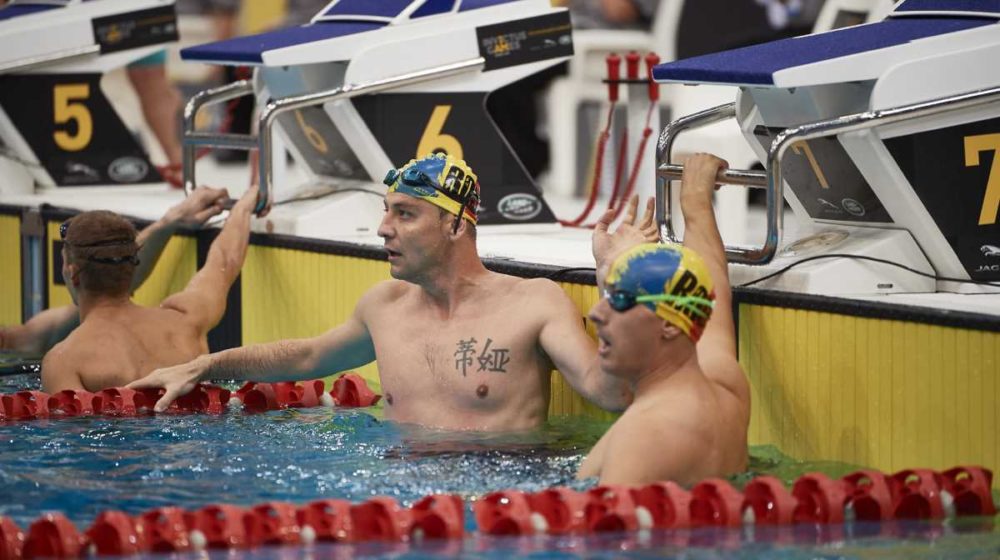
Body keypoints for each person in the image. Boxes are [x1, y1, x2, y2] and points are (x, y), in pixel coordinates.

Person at [129, 153, 658, 431]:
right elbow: (308, 355)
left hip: (502, 511)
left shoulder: (533, 303)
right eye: (386, 212)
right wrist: (205, 366)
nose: (384, 229)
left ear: (456, 226)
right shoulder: (382, 307)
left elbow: (613, 395)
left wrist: (621, 271)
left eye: (404, 214)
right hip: (398, 509)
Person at [577, 153, 751, 486]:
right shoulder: (728, 388)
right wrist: (695, 199)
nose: (597, 313)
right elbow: (711, 284)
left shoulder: (643, 437)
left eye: (621, 299)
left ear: (669, 324)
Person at [40, 186, 259, 393]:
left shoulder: (64, 361)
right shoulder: (186, 321)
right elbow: (224, 261)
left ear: (73, 272)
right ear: (133, 266)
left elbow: (74, 429)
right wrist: (245, 205)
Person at [0, 188, 231, 356]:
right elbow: (110, 274)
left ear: (72, 273)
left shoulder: (36, 347)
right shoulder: (181, 324)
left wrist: (169, 222)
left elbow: (107, 277)